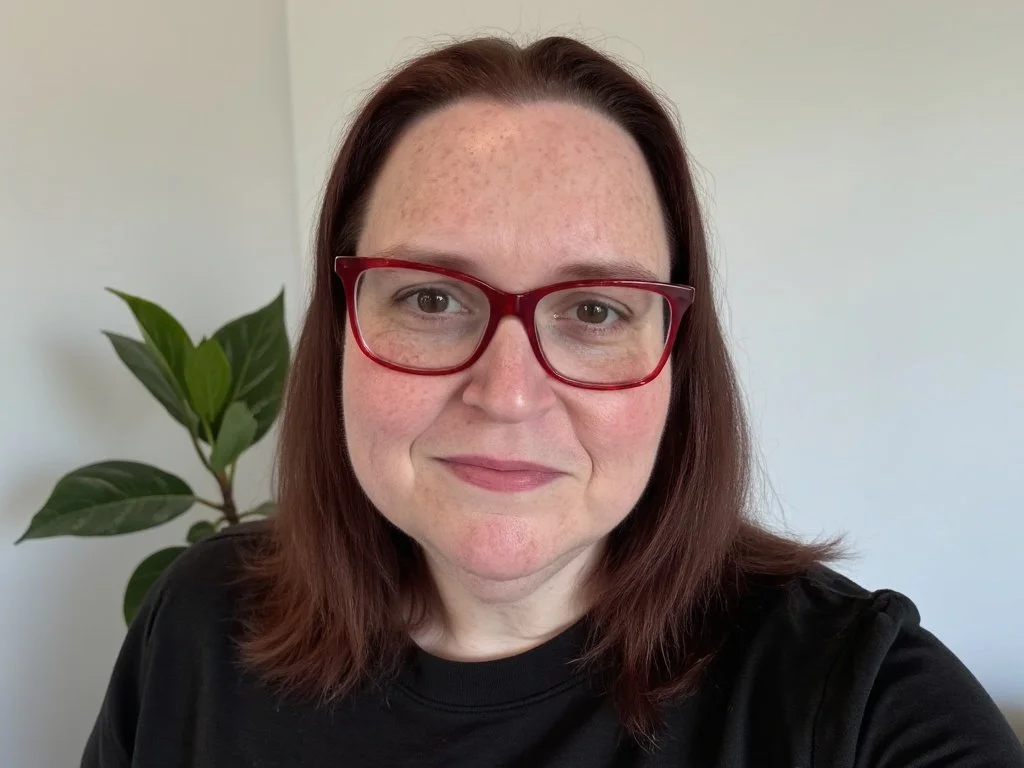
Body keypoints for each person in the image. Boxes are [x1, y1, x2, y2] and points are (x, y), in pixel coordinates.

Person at [81, 35, 1023, 767]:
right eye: (431, 297)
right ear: (341, 330)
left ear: (674, 360)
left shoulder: (855, 704)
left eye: (595, 309)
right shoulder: (198, 627)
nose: (508, 391)